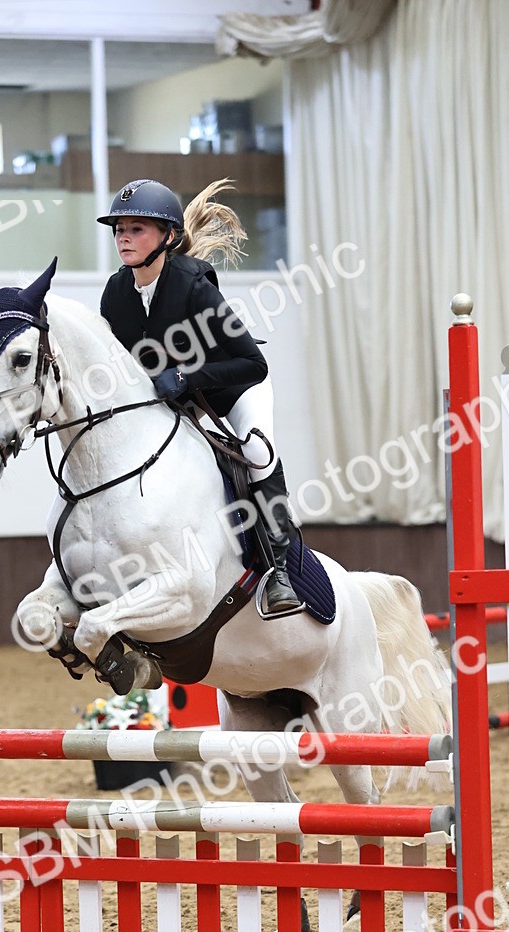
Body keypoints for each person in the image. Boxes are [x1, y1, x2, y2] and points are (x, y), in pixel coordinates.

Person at [98, 177, 302, 616]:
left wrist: (188, 377)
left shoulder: (194, 286)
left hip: (234, 391)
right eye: (119, 229)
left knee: (257, 454)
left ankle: (279, 573)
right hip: (174, 401)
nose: (124, 237)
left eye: (137, 228)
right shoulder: (116, 294)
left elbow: (253, 363)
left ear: (167, 237)